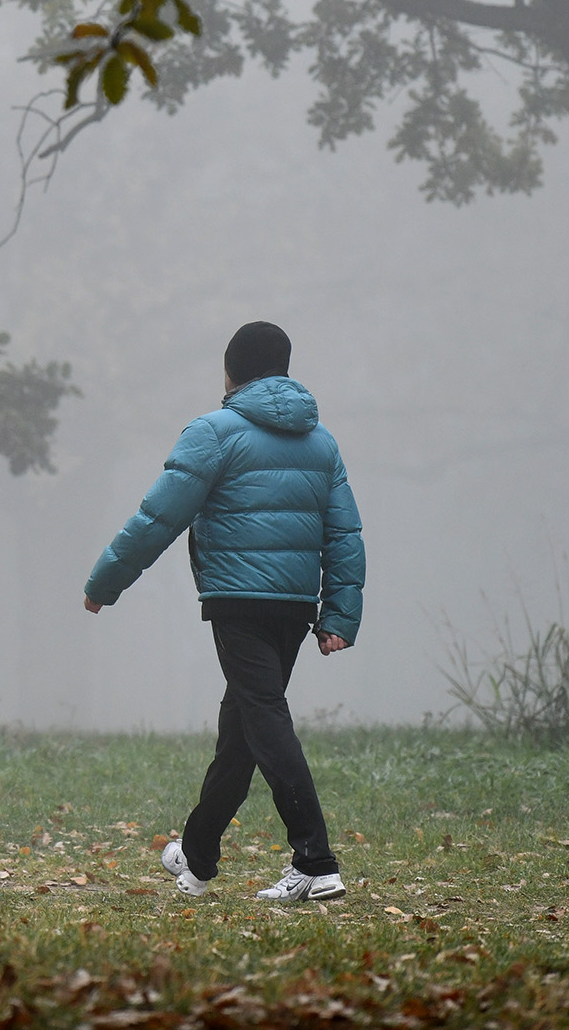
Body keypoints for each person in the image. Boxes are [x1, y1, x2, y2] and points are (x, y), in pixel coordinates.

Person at [82, 320, 363, 903]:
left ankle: (316, 861)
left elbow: (158, 518)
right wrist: (337, 613)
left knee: (262, 718)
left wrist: (106, 582)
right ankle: (198, 856)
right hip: (294, 606)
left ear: (231, 373)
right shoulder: (322, 442)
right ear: (284, 371)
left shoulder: (213, 431)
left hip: (237, 600)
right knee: (241, 730)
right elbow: (344, 533)